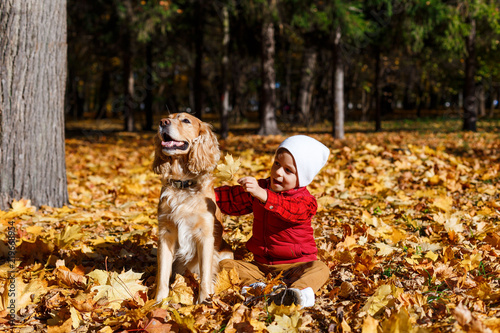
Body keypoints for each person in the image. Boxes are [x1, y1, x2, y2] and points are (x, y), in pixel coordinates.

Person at [215, 135, 330, 308]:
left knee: (321, 268)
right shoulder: (262, 188)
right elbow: (231, 199)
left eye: (288, 170)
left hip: (297, 265)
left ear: (303, 178)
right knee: (223, 265)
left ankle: (297, 294)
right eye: (277, 163)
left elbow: (289, 210)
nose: (278, 172)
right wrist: (204, 194)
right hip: (261, 266)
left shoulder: (306, 201)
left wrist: (262, 195)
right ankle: (260, 289)